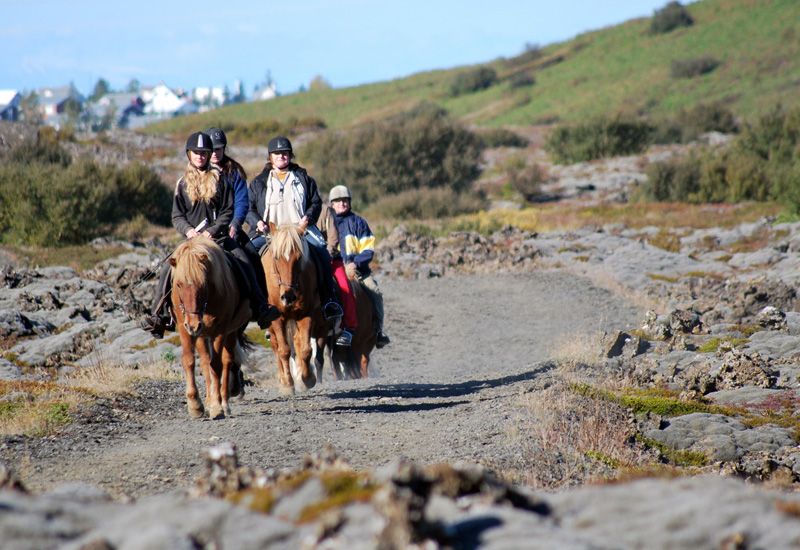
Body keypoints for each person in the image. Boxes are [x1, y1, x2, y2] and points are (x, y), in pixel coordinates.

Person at [140, 131, 279, 338]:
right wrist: (189, 230)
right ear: (189, 154)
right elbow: (177, 215)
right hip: (191, 241)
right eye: (196, 153)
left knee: (245, 260)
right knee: (167, 269)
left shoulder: (221, 180)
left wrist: (210, 231)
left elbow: (228, 211)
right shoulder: (182, 184)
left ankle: (260, 306)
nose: (200, 156)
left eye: (204, 153)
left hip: (218, 238)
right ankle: (159, 315)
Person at [245, 135, 346, 341]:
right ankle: (256, 304)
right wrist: (258, 222)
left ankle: (328, 300)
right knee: (247, 255)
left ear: (290, 155)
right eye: (277, 153)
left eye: (285, 153)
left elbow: (316, 202)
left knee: (322, 252)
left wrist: (308, 217)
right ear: (270, 157)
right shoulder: (259, 182)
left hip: (300, 230)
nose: (281, 156)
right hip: (270, 232)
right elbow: (249, 208)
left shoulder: (303, 178)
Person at [325, 184, 390, 349]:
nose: (342, 203)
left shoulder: (359, 222)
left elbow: (368, 249)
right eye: (338, 201)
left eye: (345, 200)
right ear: (332, 204)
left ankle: (378, 332)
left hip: (359, 271)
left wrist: (355, 263)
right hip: (333, 270)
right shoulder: (326, 223)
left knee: (376, 292)